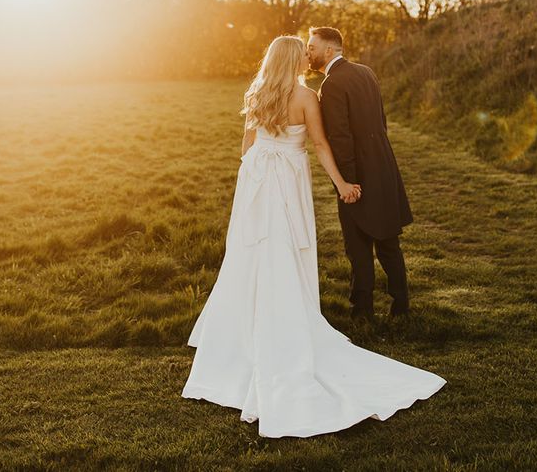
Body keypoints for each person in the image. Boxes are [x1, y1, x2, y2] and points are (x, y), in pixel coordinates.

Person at [181, 35, 446, 438]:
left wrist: (256, 173)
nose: (308, 57)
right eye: (301, 54)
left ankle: (246, 327)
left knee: (252, 251)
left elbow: (245, 148)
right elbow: (321, 144)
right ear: (295, 61)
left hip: (255, 179)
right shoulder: (306, 97)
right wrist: (342, 183)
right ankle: (289, 316)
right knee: (285, 246)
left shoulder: (255, 94)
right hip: (286, 178)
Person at [307, 26, 412, 321]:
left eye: (312, 47)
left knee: (358, 244)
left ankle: (362, 310)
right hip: (383, 165)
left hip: (358, 173)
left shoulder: (332, 84)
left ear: (329, 50)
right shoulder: (366, 72)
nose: (309, 53)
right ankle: (401, 305)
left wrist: (347, 182)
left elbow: (340, 138)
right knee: (389, 241)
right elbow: (381, 120)